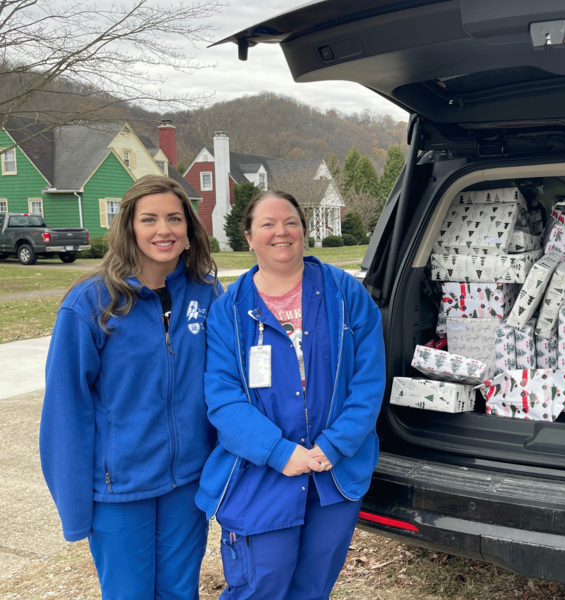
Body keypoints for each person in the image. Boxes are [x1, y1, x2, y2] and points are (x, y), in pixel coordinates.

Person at [196, 190, 385, 599]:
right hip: (260, 474)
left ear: (304, 230)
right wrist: (280, 453)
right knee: (262, 585)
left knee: (313, 587)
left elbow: (368, 380)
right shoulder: (229, 310)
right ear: (248, 237)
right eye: (267, 224)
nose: (281, 232)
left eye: (291, 222)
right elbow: (224, 399)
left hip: (332, 471)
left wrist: (335, 445)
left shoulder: (344, 294)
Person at [40, 175, 222, 599]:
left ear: (190, 230)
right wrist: (73, 506)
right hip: (119, 487)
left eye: (175, 218)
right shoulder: (90, 304)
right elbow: (66, 409)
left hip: (188, 482)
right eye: (150, 219)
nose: (164, 230)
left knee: (181, 592)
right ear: (130, 227)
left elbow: (226, 385)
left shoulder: (208, 294)